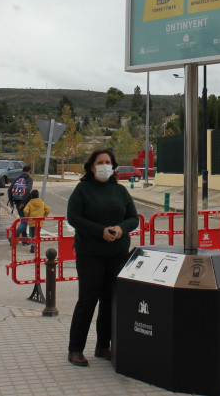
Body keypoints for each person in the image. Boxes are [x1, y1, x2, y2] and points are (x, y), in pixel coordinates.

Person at [66, 148, 139, 367]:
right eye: (100, 162)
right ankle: (75, 349)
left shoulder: (120, 191)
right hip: (90, 254)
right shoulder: (83, 189)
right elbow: (73, 218)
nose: (105, 166)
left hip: (117, 254)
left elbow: (133, 218)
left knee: (110, 301)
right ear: (91, 166)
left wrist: (120, 228)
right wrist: (100, 231)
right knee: (87, 300)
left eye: (108, 162)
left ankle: (103, 345)